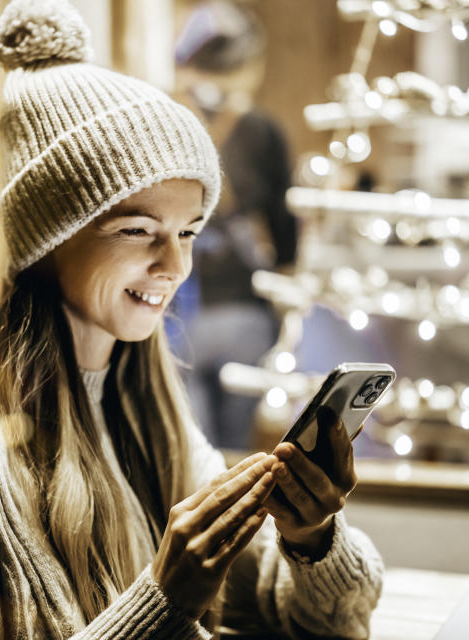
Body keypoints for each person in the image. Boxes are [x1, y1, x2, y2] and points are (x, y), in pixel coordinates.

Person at [0, 1, 383, 637]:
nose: (175, 265)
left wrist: (312, 535)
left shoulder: (148, 403)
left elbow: (312, 617)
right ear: (48, 238)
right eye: (138, 230)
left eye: (187, 231)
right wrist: (162, 602)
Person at [171, 0, 297, 450]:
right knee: (236, 451)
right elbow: (285, 236)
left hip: (178, 310)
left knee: (194, 451)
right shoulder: (263, 131)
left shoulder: (168, 121)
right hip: (246, 311)